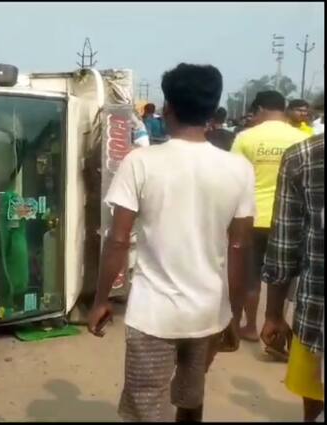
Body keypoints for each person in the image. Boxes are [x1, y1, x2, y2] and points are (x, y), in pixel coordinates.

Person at [87, 63, 255, 422]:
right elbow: (239, 248)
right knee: (191, 399)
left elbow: (118, 241)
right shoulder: (238, 169)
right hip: (208, 310)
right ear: (212, 112)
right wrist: (234, 312)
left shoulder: (141, 162)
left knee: (146, 406)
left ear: (168, 108)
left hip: (154, 313)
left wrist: (101, 299)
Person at [230, 91, 309, 344]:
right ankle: (274, 325)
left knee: (250, 277)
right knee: (284, 278)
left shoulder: (246, 137)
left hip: (251, 216)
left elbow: (233, 180)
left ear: (260, 109)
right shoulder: (303, 139)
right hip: (291, 220)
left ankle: (250, 326)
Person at [260, 133, 324, 422]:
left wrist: (273, 314)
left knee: (315, 398)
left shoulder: (305, 156)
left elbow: (285, 247)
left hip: (318, 315)